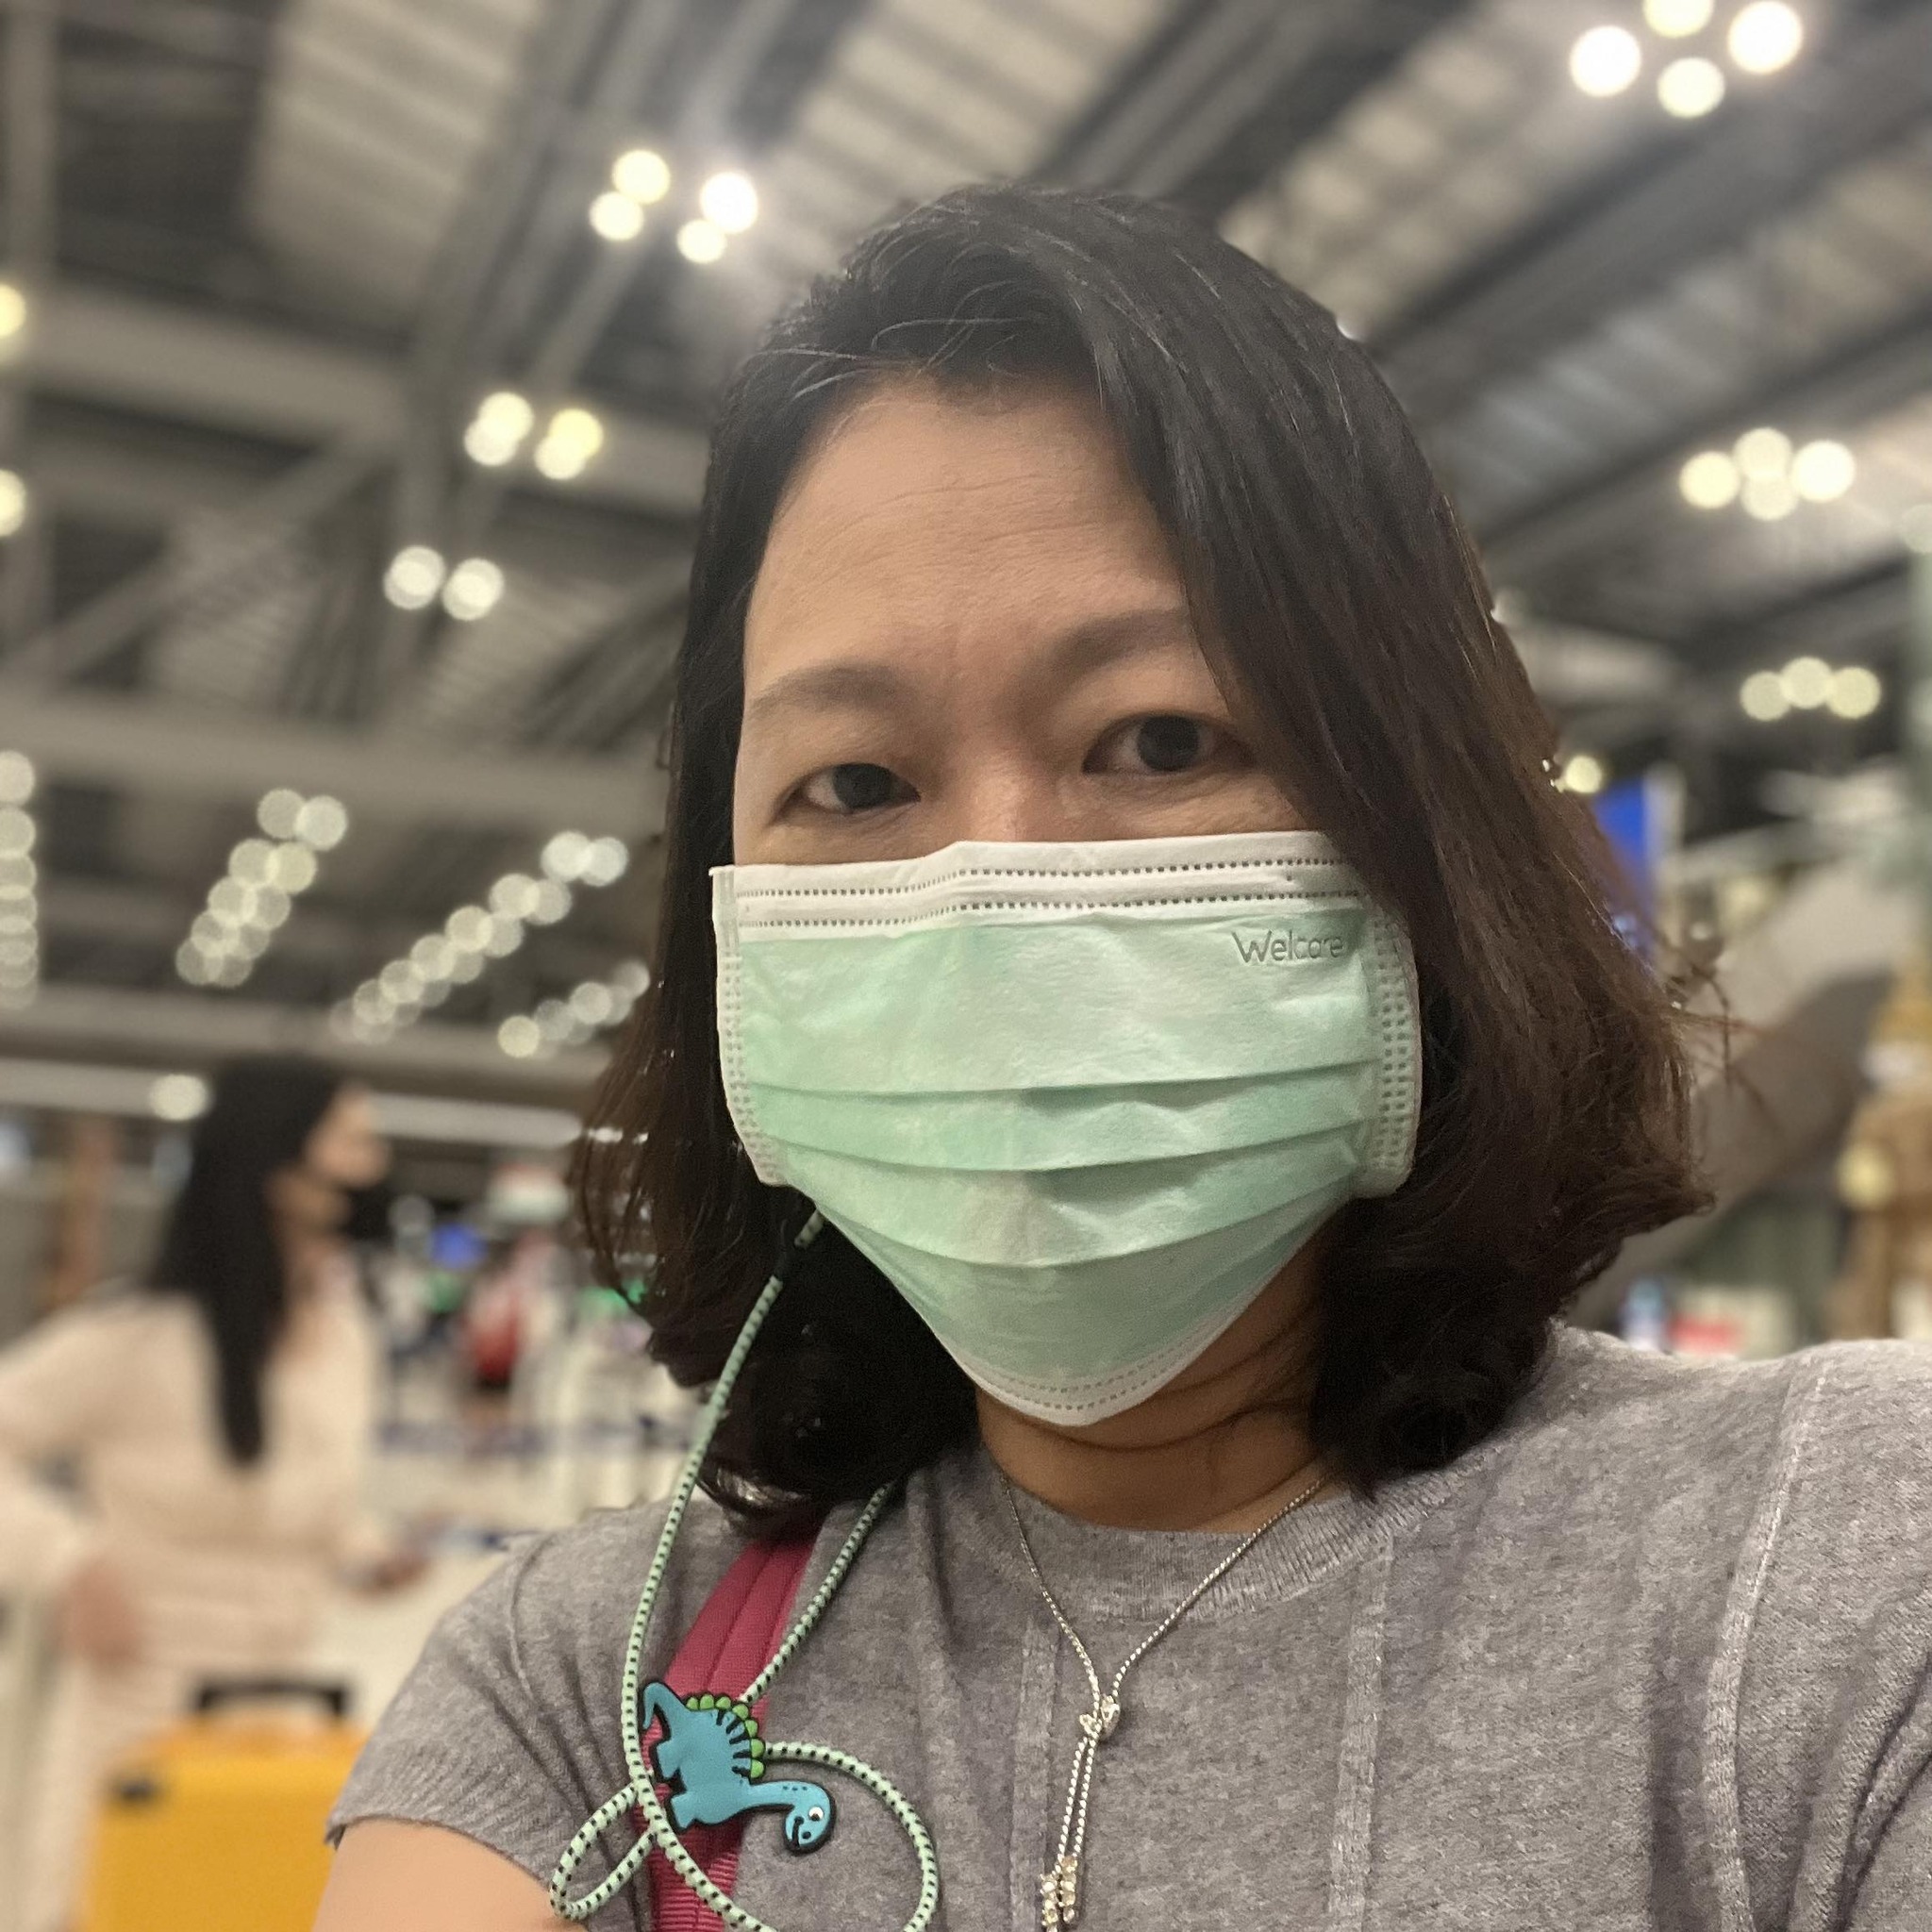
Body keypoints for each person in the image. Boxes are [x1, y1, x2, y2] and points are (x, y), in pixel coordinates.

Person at [320, 186, 1932, 1930]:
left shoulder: (1836, 1578)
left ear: (1421, 829)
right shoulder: (585, 1694)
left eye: (1159, 739)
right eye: (853, 782)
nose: (993, 899)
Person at [0, 1056, 398, 1932]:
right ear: (280, 1162)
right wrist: (65, 1562)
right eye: (352, 1140)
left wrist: (367, 1551)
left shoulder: (344, 1339)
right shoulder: (134, 1338)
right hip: (133, 1714)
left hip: (282, 1720)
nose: (375, 1163)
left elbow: (313, 1503)